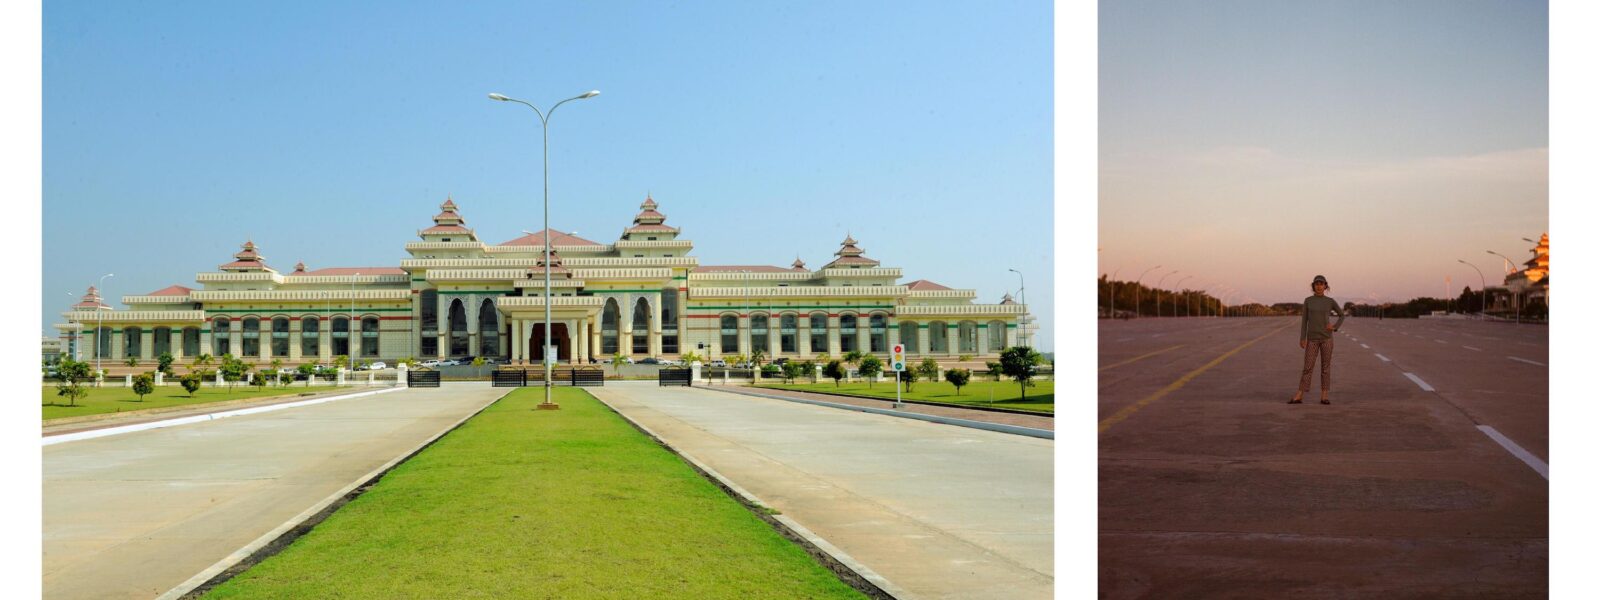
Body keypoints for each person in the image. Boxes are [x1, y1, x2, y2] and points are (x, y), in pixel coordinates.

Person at [1292, 275, 1345, 405]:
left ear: (1325, 286)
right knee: (1308, 367)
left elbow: (1342, 315)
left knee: (1325, 368)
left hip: (1327, 339)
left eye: (1321, 284)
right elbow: (1304, 321)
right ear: (1313, 286)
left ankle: (1324, 396)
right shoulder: (1308, 301)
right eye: (1317, 284)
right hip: (1312, 339)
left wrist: (1334, 327)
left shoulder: (1330, 301)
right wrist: (1302, 338)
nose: (1319, 286)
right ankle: (1299, 395)